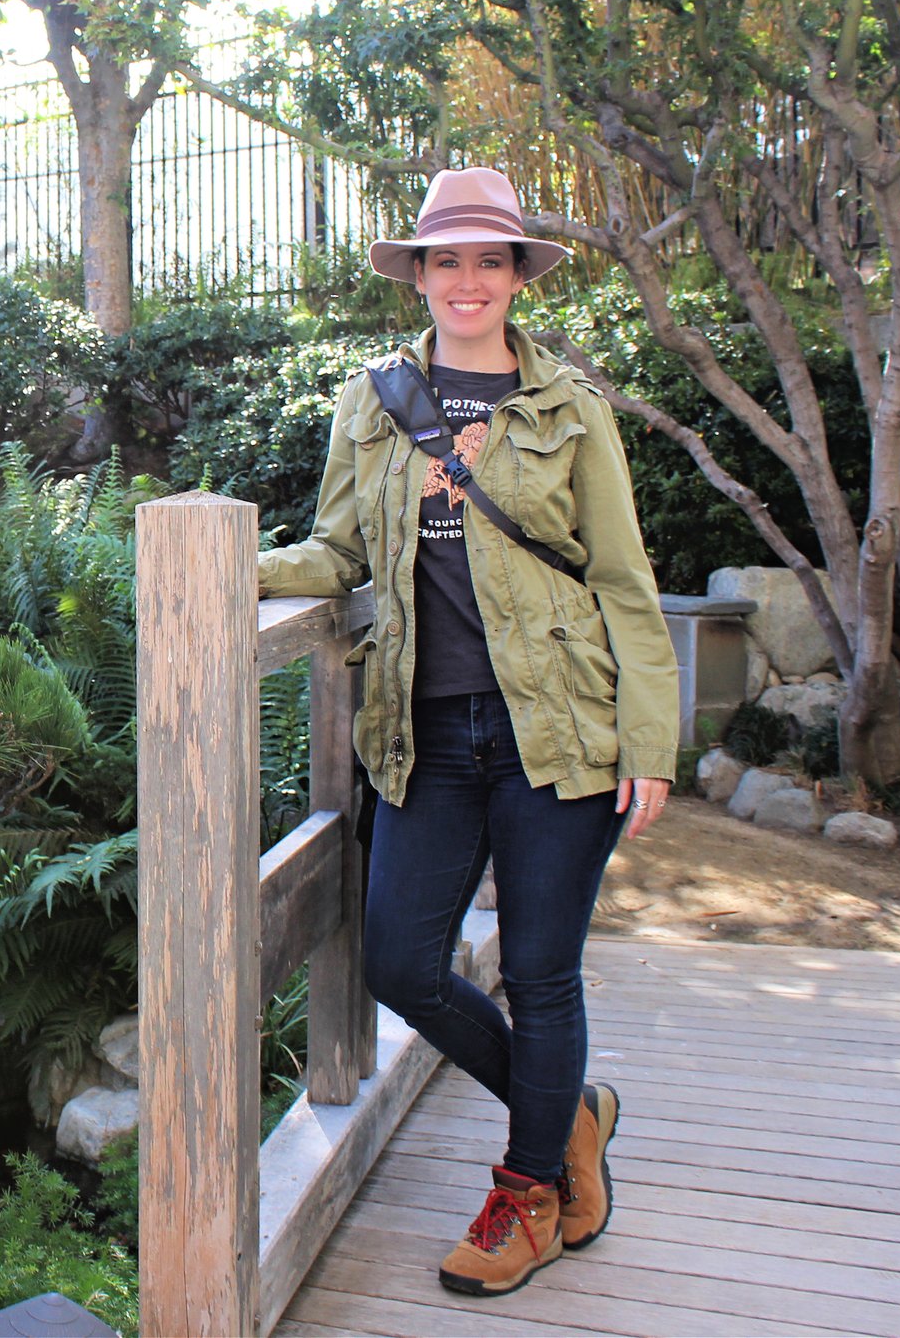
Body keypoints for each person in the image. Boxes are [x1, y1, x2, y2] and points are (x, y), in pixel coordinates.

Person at [257, 167, 678, 1297]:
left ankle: (528, 1188)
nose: (467, 280)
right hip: (424, 731)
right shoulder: (373, 399)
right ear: (421, 276)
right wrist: (221, 564)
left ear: (514, 277)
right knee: (401, 956)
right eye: (447, 260)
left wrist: (648, 742)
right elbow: (336, 551)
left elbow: (625, 584)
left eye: (488, 260)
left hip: (559, 731)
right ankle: (570, 1109)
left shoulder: (570, 408)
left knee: (542, 974)